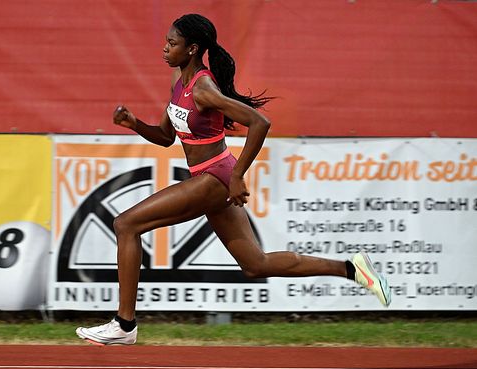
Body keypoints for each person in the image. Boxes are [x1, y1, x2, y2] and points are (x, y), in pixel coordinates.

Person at [76, 13, 391, 346]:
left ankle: (124, 324)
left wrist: (238, 175)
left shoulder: (203, 88)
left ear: (192, 48)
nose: (165, 48)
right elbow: (167, 137)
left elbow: (260, 122)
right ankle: (352, 268)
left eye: (172, 43)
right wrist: (133, 123)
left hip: (216, 176)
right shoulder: (178, 84)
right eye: (166, 42)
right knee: (256, 264)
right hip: (211, 178)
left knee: (126, 224)